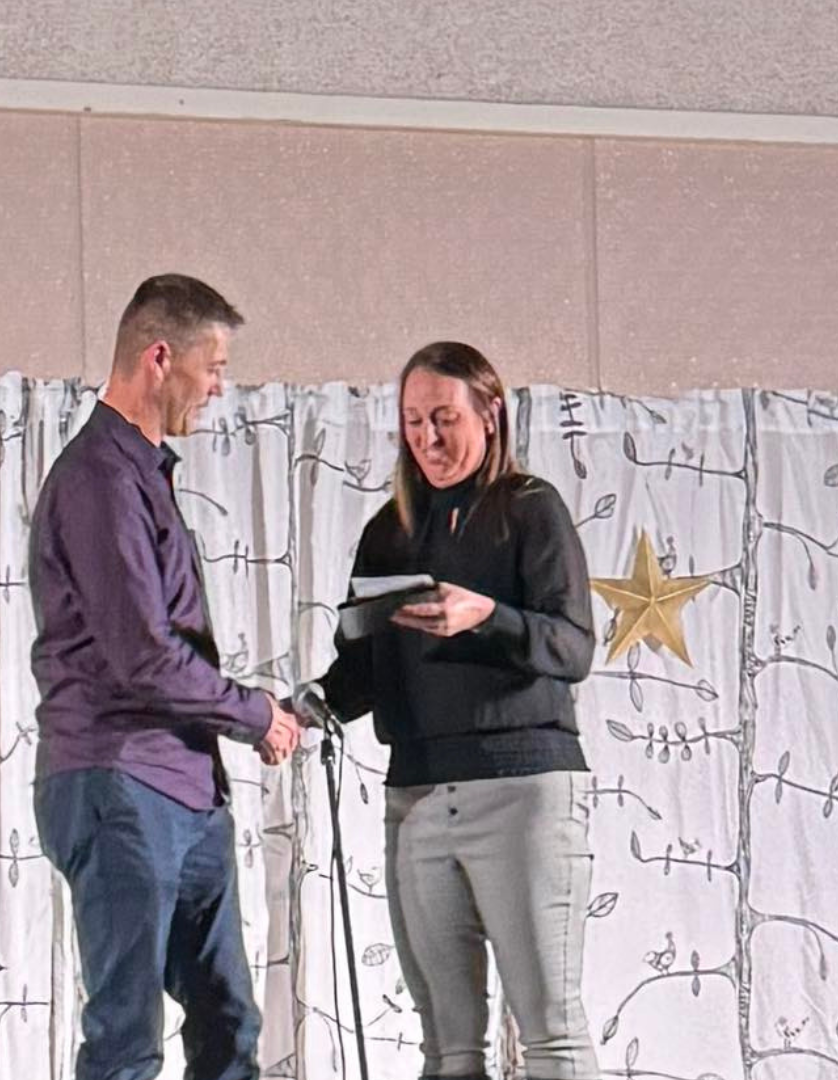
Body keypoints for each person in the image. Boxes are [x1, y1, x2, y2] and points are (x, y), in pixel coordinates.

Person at [29, 274, 300, 1080]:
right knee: (127, 1036)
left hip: (184, 789)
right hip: (118, 782)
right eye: (212, 367)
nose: (218, 387)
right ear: (159, 358)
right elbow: (143, 657)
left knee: (228, 1024)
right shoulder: (100, 478)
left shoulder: (142, 473)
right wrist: (255, 715)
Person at [316, 341, 600, 1080]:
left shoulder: (530, 509)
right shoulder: (388, 532)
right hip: (415, 797)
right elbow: (363, 668)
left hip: (521, 790)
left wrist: (488, 616)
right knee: (447, 1045)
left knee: (549, 1031)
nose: (428, 439)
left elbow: (572, 647)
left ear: (491, 413)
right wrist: (308, 706)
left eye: (445, 418)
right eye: (413, 422)